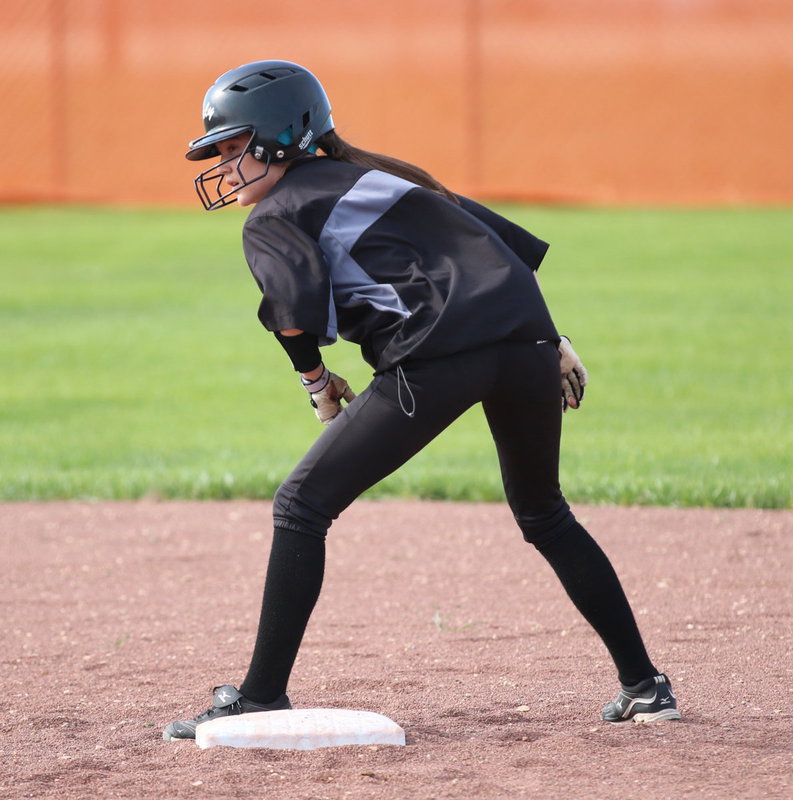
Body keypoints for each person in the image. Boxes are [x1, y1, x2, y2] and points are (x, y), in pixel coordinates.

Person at [163, 60, 680, 741]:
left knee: (301, 504)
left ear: (281, 139)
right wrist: (551, 339)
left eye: (233, 148)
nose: (224, 167)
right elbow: (492, 250)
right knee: (544, 514)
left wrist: (317, 384)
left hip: (439, 357)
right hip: (524, 344)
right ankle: (644, 688)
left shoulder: (276, 214)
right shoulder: (386, 177)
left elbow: (293, 311)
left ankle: (261, 695)